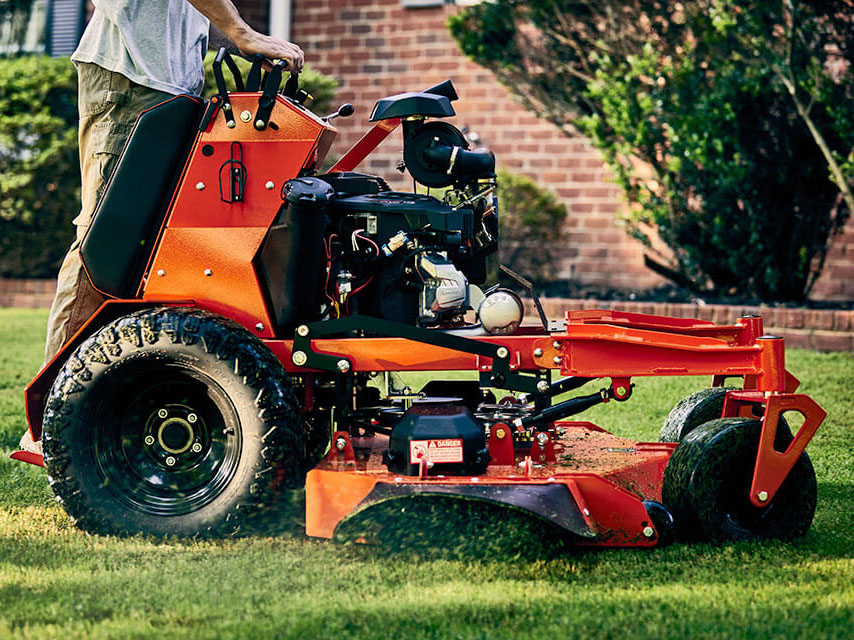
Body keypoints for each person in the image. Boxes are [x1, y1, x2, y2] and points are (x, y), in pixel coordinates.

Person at [18, 0, 304, 456]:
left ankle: (109, 405)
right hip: (132, 77)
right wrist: (240, 32)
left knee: (149, 248)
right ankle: (53, 424)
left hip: (163, 80)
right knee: (106, 241)